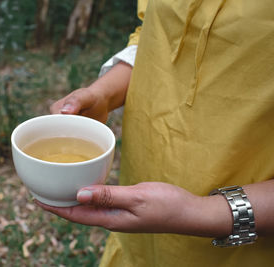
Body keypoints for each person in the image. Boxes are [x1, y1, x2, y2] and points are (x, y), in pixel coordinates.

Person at [36, 0, 274, 266]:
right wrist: (103, 93)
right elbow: (153, 34)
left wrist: (199, 213)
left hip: (241, 254)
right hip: (139, 242)